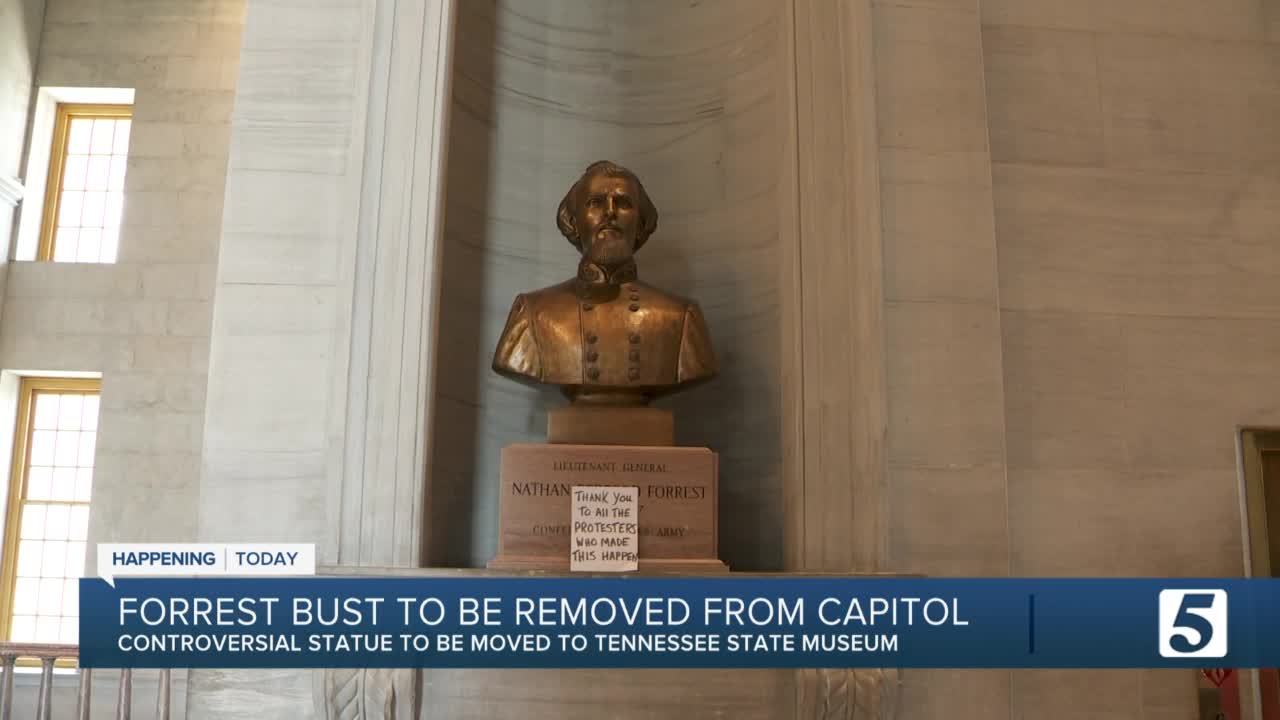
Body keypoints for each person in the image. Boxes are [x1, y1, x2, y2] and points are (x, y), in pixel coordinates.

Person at [491, 161, 717, 405]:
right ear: (574, 222)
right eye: (595, 203)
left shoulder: (681, 318)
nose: (610, 212)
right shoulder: (533, 313)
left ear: (641, 224)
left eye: (623, 203)